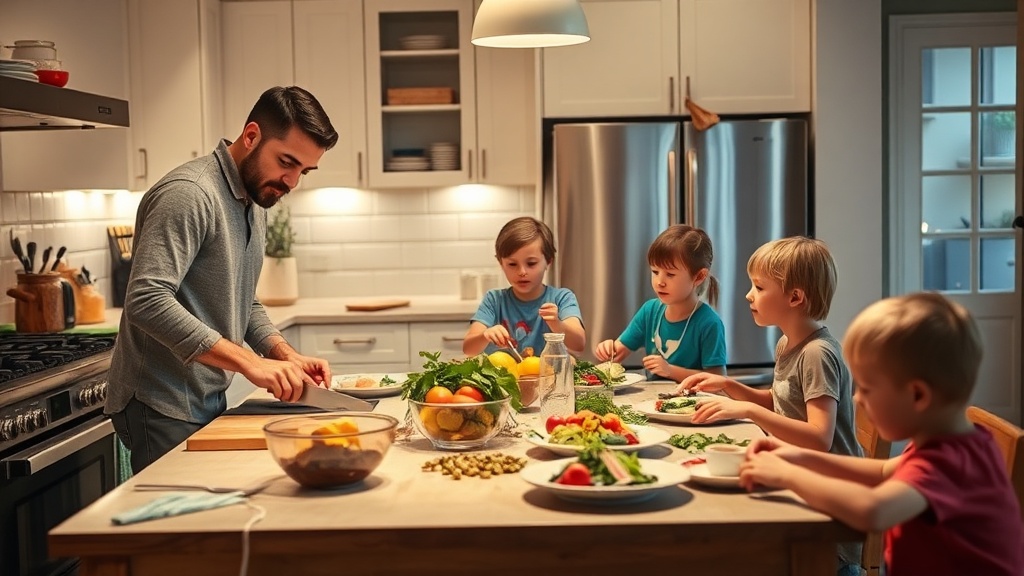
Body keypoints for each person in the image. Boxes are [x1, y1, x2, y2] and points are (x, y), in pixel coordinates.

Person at [105, 86, 340, 474]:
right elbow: (146, 299)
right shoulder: (190, 194)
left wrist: (284, 354)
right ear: (251, 136)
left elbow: (241, 300)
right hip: (160, 403)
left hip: (205, 396)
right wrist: (250, 362)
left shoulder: (256, 197)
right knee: (177, 528)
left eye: (304, 170)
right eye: (287, 162)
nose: (292, 182)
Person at [738, 293, 1024, 576]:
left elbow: (872, 511)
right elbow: (886, 470)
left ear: (917, 395)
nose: (858, 399)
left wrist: (786, 475)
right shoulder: (959, 442)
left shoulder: (950, 464)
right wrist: (798, 457)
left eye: (867, 388)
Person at [677, 236, 863, 574]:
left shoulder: (817, 354)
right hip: (801, 481)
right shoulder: (788, 344)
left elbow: (819, 437)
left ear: (795, 297)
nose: (749, 294)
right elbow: (784, 403)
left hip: (828, 517)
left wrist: (748, 411)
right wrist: (729, 386)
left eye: (759, 287)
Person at [594, 224, 726, 381]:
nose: (659, 282)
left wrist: (670, 370)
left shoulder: (709, 323)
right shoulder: (649, 311)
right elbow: (618, 353)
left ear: (699, 277)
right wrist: (609, 350)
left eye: (670, 274)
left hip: (694, 403)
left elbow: (718, 379)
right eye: (655, 272)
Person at [463, 216, 586, 356]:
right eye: (512, 264)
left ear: (548, 262)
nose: (522, 272)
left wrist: (557, 324)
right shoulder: (494, 300)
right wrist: (484, 335)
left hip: (547, 377)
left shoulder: (562, 298)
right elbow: (468, 349)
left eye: (531, 263)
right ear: (501, 264)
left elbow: (579, 344)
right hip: (504, 377)